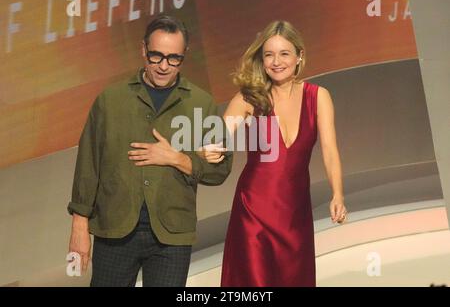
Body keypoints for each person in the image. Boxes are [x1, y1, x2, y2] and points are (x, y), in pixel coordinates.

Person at [67, 15, 232, 287]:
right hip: (114, 230)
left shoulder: (202, 104)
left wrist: (178, 159)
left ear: (184, 55)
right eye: (156, 56)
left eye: (174, 58)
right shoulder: (111, 100)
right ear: (143, 49)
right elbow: (88, 166)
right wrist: (79, 227)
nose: (164, 66)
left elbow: (220, 170)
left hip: (172, 235)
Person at [198, 20, 346, 286]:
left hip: (295, 215)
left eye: (284, 53)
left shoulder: (318, 96)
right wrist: (207, 149)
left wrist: (338, 193)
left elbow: (330, 151)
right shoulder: (249, 98)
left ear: (299, 56)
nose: (276, 61)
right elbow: (218, 136)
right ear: (262, 59)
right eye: (269, 54)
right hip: (253, 212)